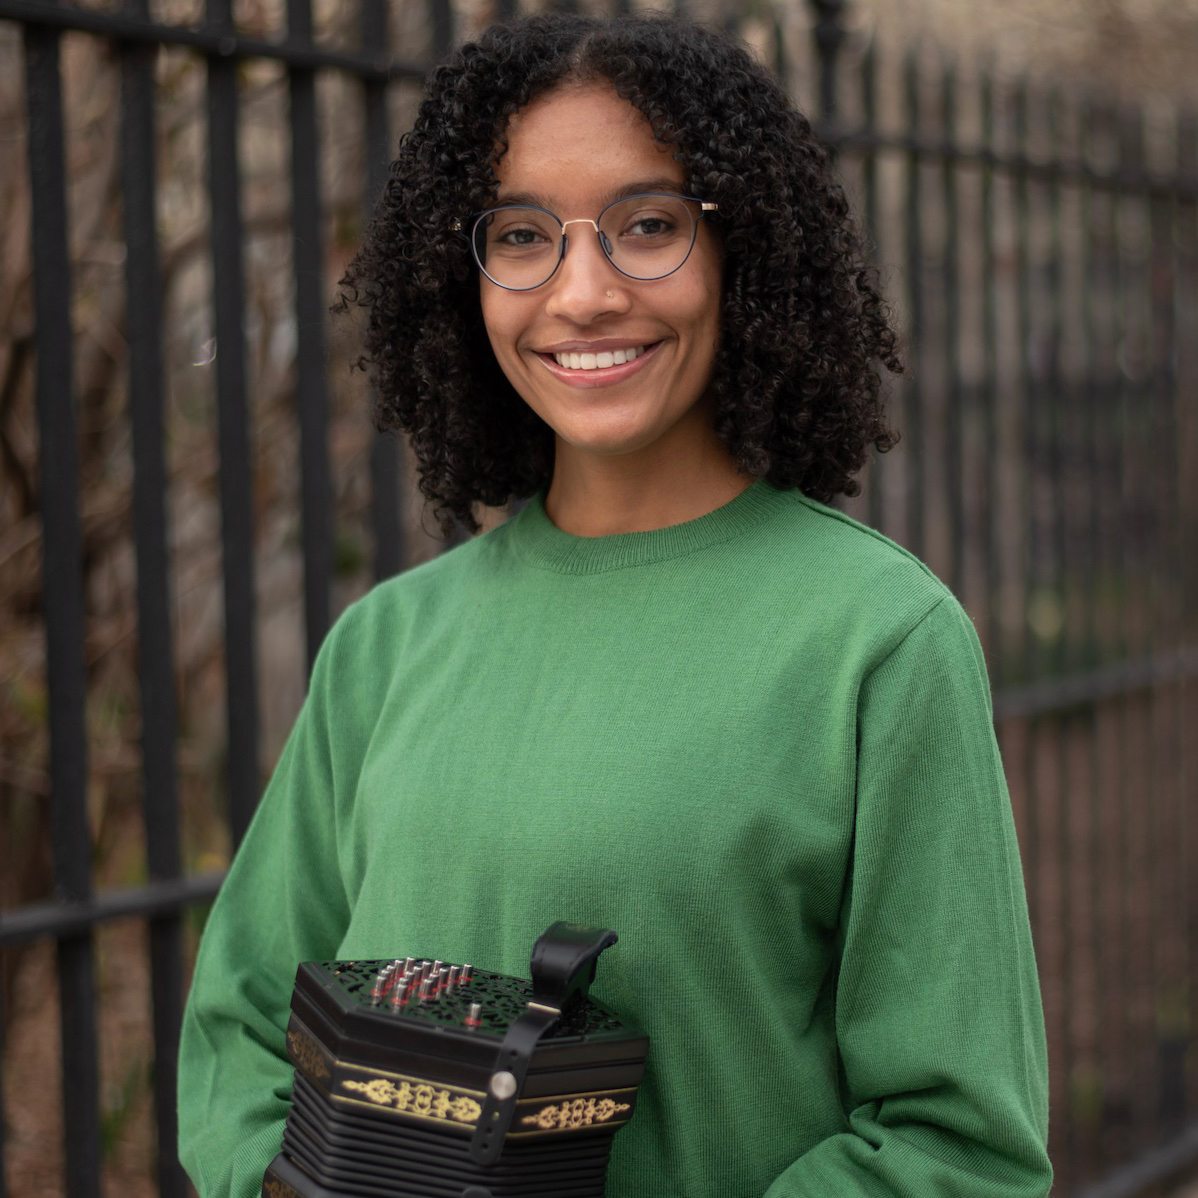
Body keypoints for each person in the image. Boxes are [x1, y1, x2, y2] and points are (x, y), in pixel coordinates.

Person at [178, 13, 1052, 1198]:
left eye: (647, 226)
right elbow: (239, 1028)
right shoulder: (386, 644)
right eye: (523, 235)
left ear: (744, 253)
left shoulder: (876, 641)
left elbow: (959, 1143)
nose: (581, 293)